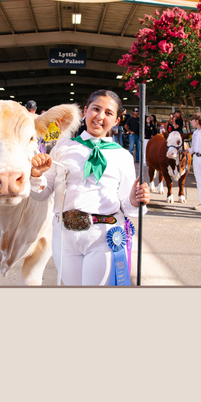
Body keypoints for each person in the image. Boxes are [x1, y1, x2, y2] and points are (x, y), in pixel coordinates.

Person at [31, 90, 148, 286]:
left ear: (117, 120)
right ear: (85, 111)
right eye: (96, 109)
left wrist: (135, 200)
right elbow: (41, 194)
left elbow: (127, 207)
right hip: (65, 234)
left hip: (104, 236)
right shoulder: (63, 147)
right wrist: (36, 175)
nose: (100, 117)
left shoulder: (122, 156)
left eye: (109, 113)